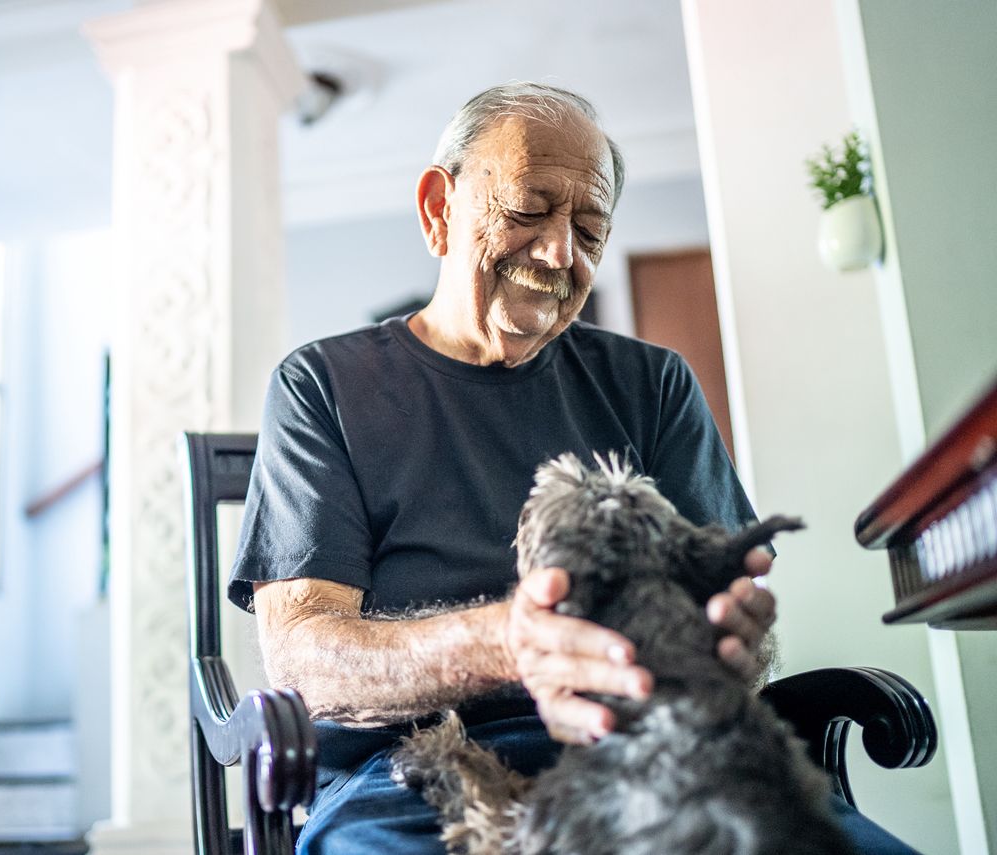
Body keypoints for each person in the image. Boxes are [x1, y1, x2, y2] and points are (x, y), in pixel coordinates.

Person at [229, 83, 913, 854]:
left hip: (656, 753)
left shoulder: (652, 383)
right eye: (528, 209)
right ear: (437, 209)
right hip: (414, 779)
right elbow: (306, 658)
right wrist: (507, 642)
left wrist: (733, 642)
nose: (560, 254)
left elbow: (735, 624)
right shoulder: (323, 384)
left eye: (589, 230)